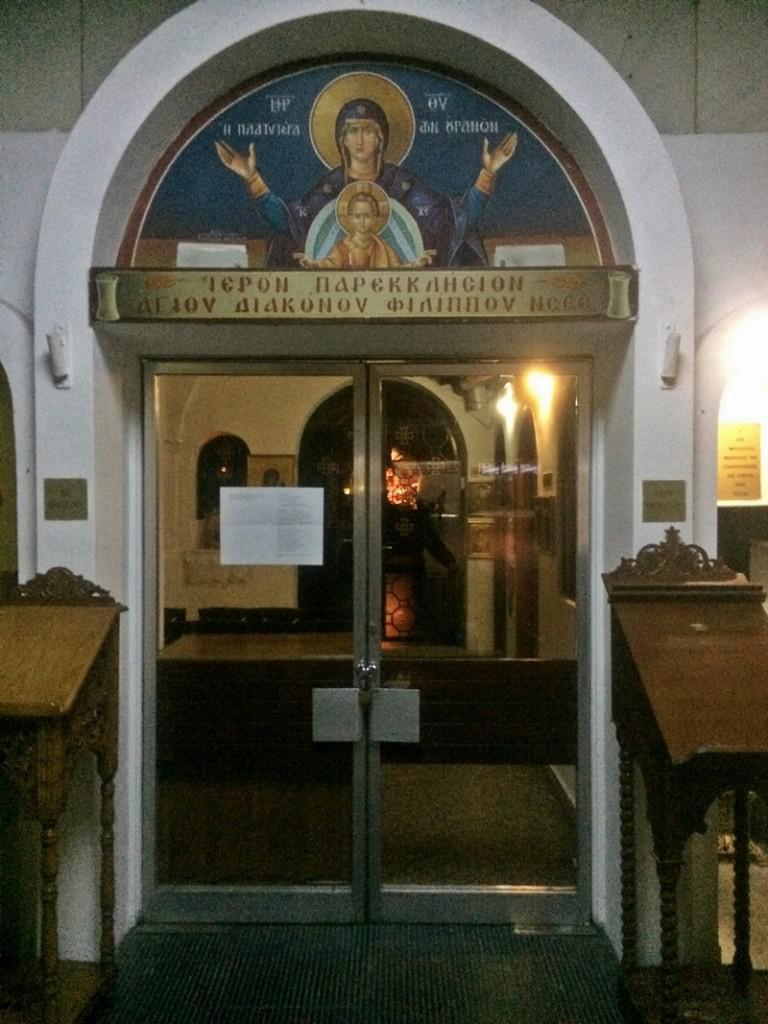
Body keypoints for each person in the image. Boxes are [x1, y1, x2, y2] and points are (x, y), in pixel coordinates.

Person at [215, 79, 517, 268]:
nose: (360, 140)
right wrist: (252, 178)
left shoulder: (403, 184)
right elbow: (291, 222)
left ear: (381, 139)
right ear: (342, 140)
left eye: (368, 131)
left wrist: (487, 173)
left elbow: (454, 219)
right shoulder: (330, 187)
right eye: (353, 131)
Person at [297, 187, 432, 269]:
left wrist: (417, 264)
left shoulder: (383, 247)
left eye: (367, 216)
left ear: (374, 218)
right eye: (358, 216)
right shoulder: (342, 248)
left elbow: (397, 269)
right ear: (351, 219)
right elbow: (328, 264)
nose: (362, 221)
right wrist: (312, 263)